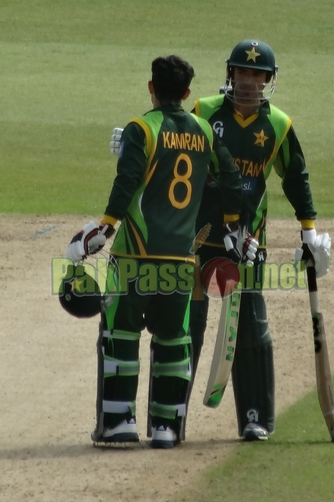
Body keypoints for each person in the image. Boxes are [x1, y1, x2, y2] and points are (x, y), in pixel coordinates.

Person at [65, 56, 248, 449]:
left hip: (133, 256)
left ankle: (118, 422)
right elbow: (231, 177)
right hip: (181, 261)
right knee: (173, 340)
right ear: (186, 93)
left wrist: (105, 227)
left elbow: (127, 181)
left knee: (120, 334)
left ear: (151, 87)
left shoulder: (141, 129)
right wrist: (233, 225)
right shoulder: (203, 130)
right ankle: (166, 427)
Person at [187, 40, 331, 442]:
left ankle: (255, 417)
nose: (248, 81)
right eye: (242, 72)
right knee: (188, 323)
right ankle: (172, 416)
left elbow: (295, 178)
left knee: (250, 324)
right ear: (230, 74)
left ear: (268, 79)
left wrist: (310, 234)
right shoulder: (204, 111)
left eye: (257, 74)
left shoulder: (279, 125)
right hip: (199, 237)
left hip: (250, 240)